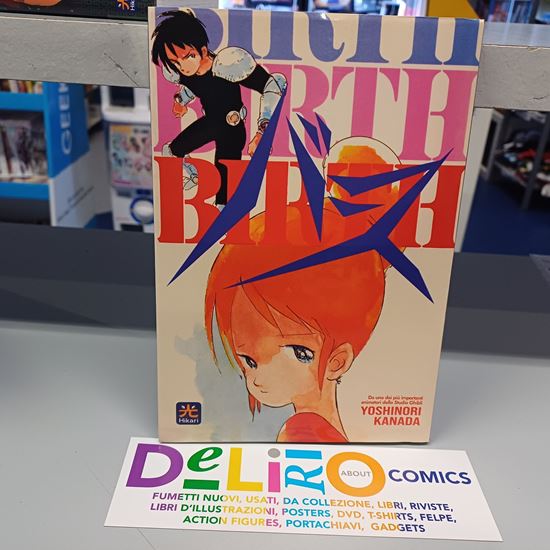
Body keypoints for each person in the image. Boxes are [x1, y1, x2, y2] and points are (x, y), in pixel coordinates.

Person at [204, 200, 388, 443]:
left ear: (337, 362)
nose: (259, 378)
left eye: (299, 352)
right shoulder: (323, 430)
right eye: (250, 361)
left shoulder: (300, 431)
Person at [151, 10, 287, 204]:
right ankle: (196, 177)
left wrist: (262, 132)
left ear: (203, 51)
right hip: (210, 122)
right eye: (174, 61)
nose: (182, 66)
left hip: (231, 128)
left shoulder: (228, 64)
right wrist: (180, 101)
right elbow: (194, 87)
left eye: (187, 56)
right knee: (171, 153)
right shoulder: (181, 72)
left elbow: (271, 84)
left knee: (225, 194)